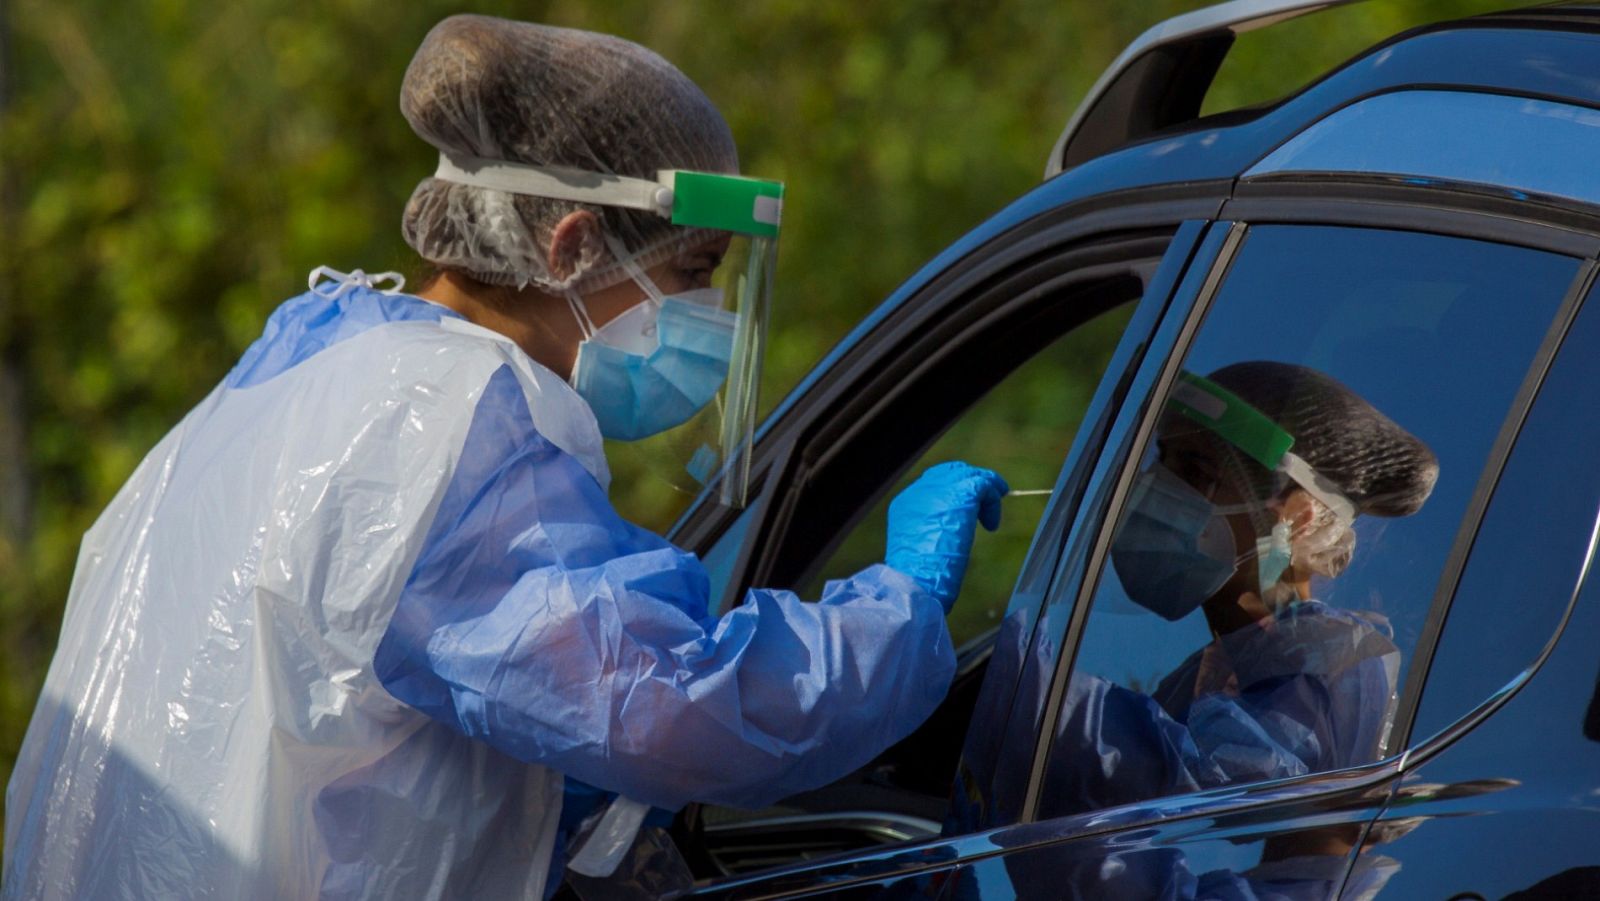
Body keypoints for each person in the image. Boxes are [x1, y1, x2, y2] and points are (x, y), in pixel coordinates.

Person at [1, 16, 1007, 900]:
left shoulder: (307, 367)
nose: (710, 315)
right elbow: (670, 708)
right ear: (569, 246)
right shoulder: (448, 430)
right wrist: (901, 611)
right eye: (695, 273)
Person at [1044, 361, 1439, 815]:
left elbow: (1194, 806)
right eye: (1162, 461)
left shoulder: (1326, 665)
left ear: (1298, 516)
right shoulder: (1221, 662)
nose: (1158, 489)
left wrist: (1038, 689)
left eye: (1195, 471)